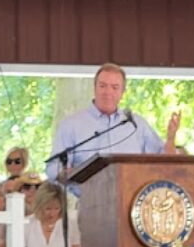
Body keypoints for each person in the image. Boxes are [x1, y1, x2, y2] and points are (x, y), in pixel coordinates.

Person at [47, 63, 180, 183]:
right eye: (103, 86)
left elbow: (165, 162)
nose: (107, 92)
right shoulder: (71, 125)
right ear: (95, 88)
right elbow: (53, 168)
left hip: (131, 203)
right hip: (89, 204)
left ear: (122, 92)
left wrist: (170, 139)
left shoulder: (136, 125)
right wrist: (66, 173)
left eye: (115, 87)